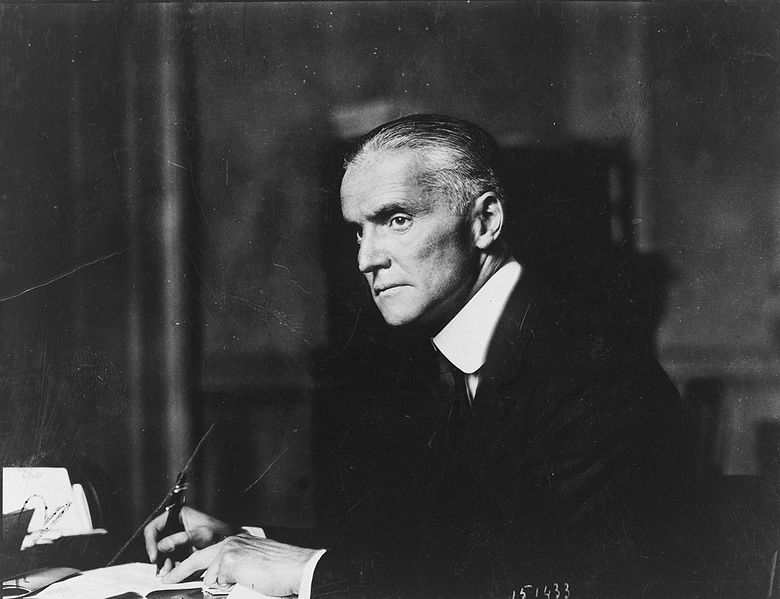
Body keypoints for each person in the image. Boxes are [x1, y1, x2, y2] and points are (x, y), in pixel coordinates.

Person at [144, 114, 691, 598]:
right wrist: (250, 542)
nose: (366, 259)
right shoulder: (453, 357)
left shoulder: (587, 371)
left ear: (484, 222)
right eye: (358, 230)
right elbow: (428, 556)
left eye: (396, 220)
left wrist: (310, 572)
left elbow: (576, 585)